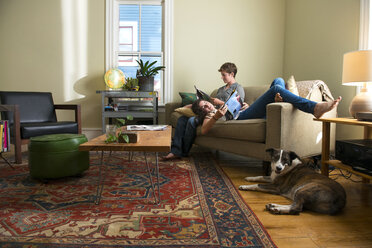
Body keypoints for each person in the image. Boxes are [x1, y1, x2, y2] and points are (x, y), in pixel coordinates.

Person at [191, 77, 342, 135]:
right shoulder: (210, 115)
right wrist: (216, 116)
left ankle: (278, 101)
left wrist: (245, 104)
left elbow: (239, 105)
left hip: (244, 111)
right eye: (203, 108)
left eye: (206, 104)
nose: (207, 107)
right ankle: (313, 108)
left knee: (278, 80)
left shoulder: (216, 105)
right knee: (276, 89)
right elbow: (204, 129)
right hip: (237, 118)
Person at [162, 62, 245, 160]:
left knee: (192, 120)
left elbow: (236, 107)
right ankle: (175, 151)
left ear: (232, 74)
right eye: (221, 75)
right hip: (210, 109)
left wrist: (220, 102)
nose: (221, 77)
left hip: (220, 114)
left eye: (224, 75)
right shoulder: (221, 89)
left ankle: (183, 152)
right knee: (182, 119)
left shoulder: (238, 88)